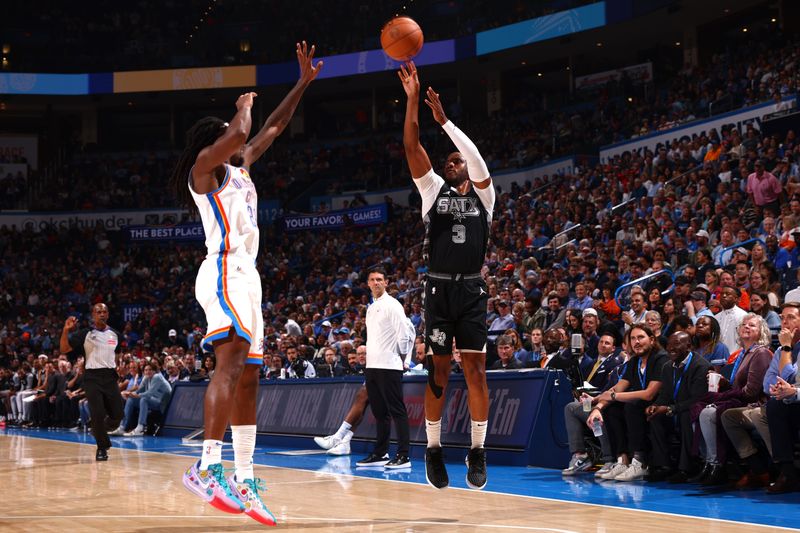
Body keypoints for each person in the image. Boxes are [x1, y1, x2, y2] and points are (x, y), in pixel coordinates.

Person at [172, 41, 322, 526]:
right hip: (222, 270)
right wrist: (240, 108)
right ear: (212, 146)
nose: (237, 143)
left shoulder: (242, 168)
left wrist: (300, 84)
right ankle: (205, 466)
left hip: (249, 277)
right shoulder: (202, 174)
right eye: (228, 141)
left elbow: (272, 127)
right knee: (231, 361)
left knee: (250, 376)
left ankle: (244, 476)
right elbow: (244, 129)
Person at [399, 61, 495, 490]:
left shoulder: (486, 197)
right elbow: (410, 145)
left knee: (476, 371)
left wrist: (447, 122)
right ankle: (433, 449)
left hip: (472, 290)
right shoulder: (431, 191)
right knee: (439, 372)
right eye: (449, 160)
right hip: (438, 290)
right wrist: (414, 100)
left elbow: (476, 157)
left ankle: (477, 450)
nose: (453, 162)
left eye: (457, 160)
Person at [587, 324, 667, 481]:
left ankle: (640, 463)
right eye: (633, 338)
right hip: (638, 404)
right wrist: (598, 407)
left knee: (631, 406)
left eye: (640, 337)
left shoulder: (661, 358)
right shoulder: (634, 362)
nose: (636, 342)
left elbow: (649, 394)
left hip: (658, 405)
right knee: (611, 410)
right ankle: (622, 460)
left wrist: (614, 397)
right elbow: (617, 387)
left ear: (651, 339)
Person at [355, 268, 414, 469]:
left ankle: (404, 455)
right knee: (380, 412)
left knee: (397, 410)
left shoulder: (393, 305)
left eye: (380, 279)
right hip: (372, 366)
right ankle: (380, 453)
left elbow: (405, 334)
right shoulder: (371, 308)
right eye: (372, 280)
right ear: (368, 284)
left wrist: (401, 358)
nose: (376, 282)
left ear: (386, 282)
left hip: (390, 366)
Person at [59, 303, 123, 461]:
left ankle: (97, 428)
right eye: (98, 312)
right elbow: (64, 349)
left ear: (107, 314)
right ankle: (102, 447)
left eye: (104, 311)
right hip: (92, 377)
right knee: (97, 414)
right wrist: (66, 330)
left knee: (118, 415)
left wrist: (118, 366)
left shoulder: (116, 334)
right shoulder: (84, 334)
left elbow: (117, 353)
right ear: (93, 315)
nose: (101, 314)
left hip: (110, 377)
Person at [646, 332, 711, 482]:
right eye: (669, 344)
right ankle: (664, 466)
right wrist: (655, 406)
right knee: (655, 417)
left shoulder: (701, 366)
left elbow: (697, 399)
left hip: (693, 410)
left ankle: (686, 468)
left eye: (676, 344)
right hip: (674, 409)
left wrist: (671, 409)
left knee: (686, 415)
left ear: (688, 346)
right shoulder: (668, 366)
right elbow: (665, 395)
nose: (670, 348)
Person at [122, 361, 173, 436]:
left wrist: (138, 395)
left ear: (154, 371)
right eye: (146, 370)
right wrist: (129, 394)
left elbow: (150, 393)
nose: (147, 371)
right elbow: (139, 390)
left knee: (144, 399)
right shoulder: (146, 377)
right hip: (153, 400)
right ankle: (122, 427)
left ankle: (140, 427)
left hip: (163, 404)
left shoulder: (157, 377)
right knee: (131, 399)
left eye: (150, 370)